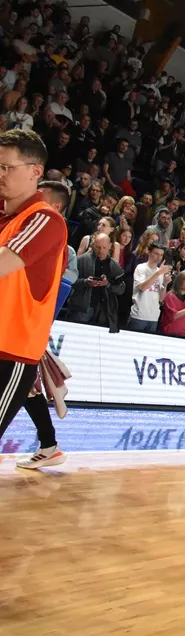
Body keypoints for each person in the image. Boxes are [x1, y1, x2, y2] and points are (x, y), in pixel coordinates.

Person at [0, 129, 67, 443]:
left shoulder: (44, 219)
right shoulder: (6, 218)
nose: (0, 174)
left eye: (6, 167)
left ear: (35, 171)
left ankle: (49, 442)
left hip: (9, 352)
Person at [13, 179, 75, 469]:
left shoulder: (49, 229)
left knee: (24, 386)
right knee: (25, 388)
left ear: (55, 205)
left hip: (24, 321)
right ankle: (49, 444)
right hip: (22, 321)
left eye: (40, 196)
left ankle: (49, 444)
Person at [128, 243, 170, 333]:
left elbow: (161, 299)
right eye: (156, 254)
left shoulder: (160, 272)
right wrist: (158, 273)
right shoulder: (141, 268)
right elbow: (142, 287)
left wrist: (165, 283)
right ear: (149, 252)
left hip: (153, 317)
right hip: (139, 315)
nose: (159, 257)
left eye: (161, 255)